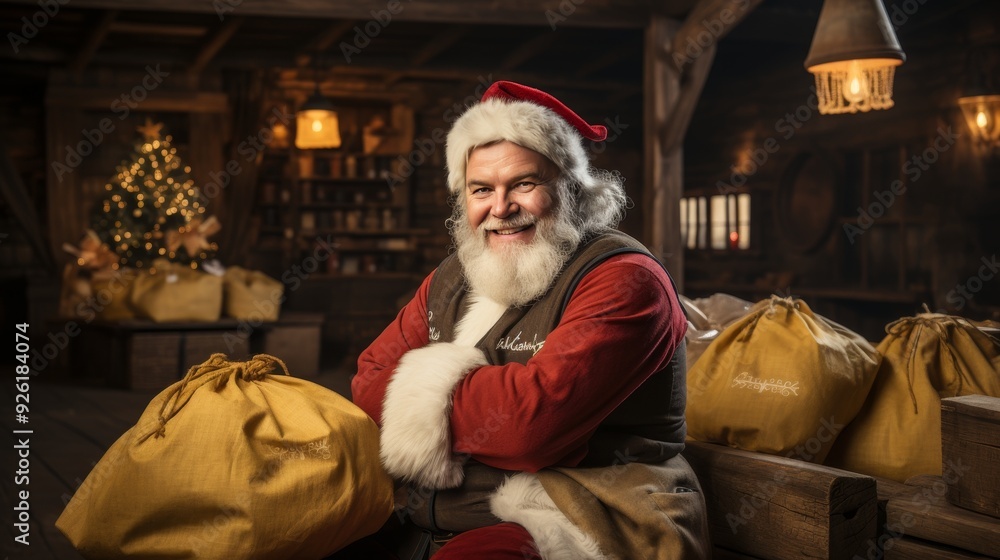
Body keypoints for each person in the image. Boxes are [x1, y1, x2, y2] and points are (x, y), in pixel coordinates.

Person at [350, 80, 709, 559]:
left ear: (572, 188)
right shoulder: (452, 277)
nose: (500, 209)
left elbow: (529, 429)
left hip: (578, 517)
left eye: (524, 183)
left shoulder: (626, 280)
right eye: (482, 189)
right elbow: (368, 378)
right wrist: (495, 397)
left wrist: (420, 387)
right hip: (426, 518)